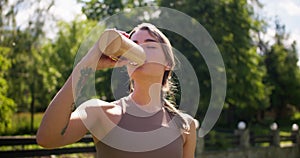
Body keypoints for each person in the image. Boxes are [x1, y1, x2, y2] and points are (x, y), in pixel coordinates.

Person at [36, 23, 197, 158]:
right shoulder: (100, 113)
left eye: (150, 45)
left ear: (168, 63)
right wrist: (87, 64)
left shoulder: (185, 125)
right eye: (134, 46)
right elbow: (47, 138)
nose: (139, 51)